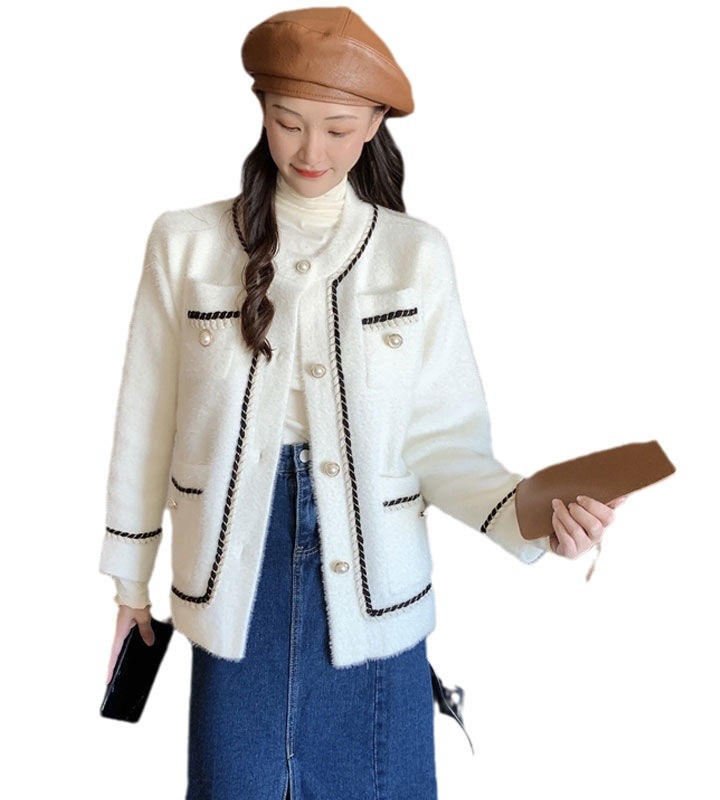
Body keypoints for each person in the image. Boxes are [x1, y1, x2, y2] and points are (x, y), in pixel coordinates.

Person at [99, 7, 625, 799]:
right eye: (288, 122)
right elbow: (145, 425)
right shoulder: (186, 242)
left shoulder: (415, 255)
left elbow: (444, 445)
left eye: (339, 129)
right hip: (230, 587)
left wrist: (537, 517)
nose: (311, 152)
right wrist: (129, 587)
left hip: (378, 598)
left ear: (376, 123)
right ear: (261, 110)